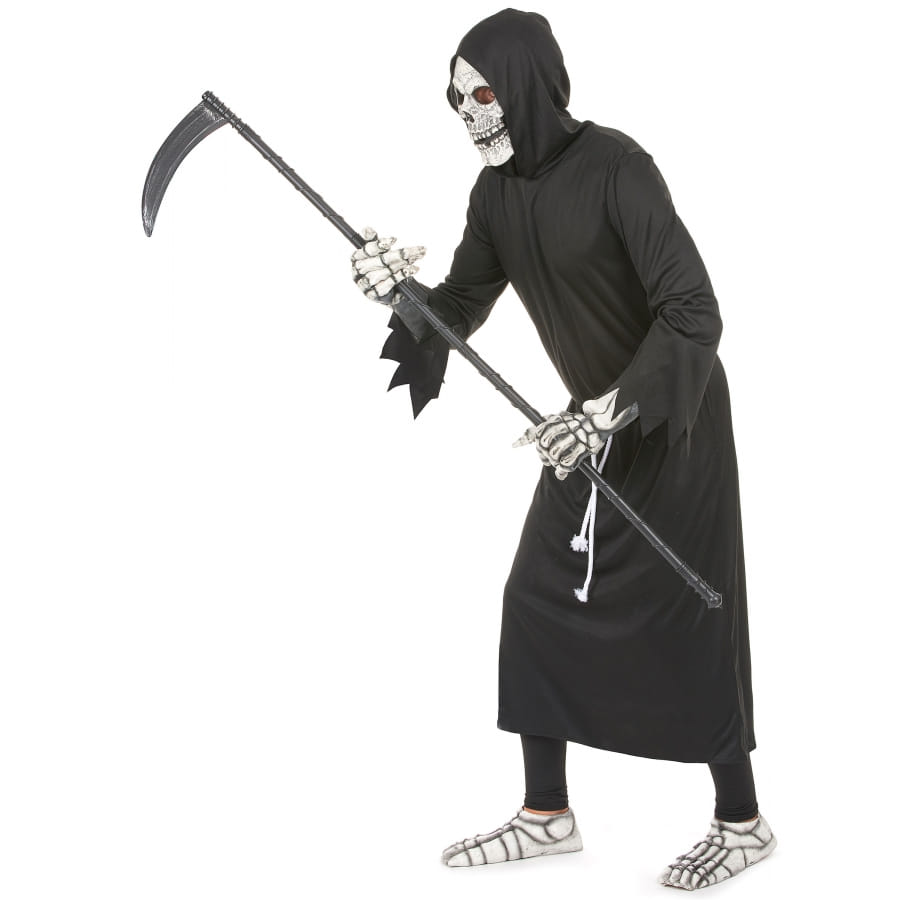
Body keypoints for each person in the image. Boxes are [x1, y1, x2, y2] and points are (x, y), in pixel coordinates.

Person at [351, 9, 775, 891]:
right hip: (584, 428)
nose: (469, 115)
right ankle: (547, 814)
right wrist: (397, 292)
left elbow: (695, 312)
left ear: (529, 85)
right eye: (457, 99)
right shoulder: (495, 196)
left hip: (674, 417)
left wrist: (604, 416)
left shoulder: (618, 167)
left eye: (484, 95)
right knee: (536, 596)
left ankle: (742, 822)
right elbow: (458, 309)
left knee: (693, 610)